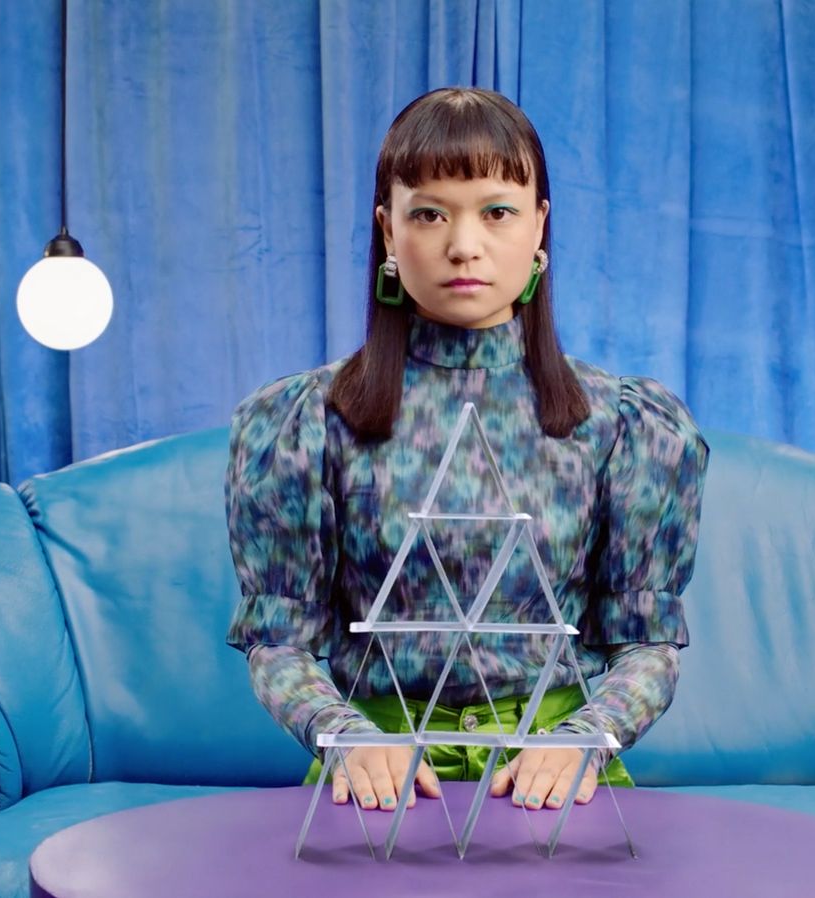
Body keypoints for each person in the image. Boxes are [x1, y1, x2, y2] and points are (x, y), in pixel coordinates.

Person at [225, 87, 708, 816]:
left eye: (497, 211)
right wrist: (346, 736)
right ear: (388, 231)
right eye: (429, 213)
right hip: (379, 786)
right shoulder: (299, 424)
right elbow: (279, 644)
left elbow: (647, 648)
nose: (463, 245)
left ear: (539, 225)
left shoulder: (629, 425)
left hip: (557, 787)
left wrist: (587, 736)